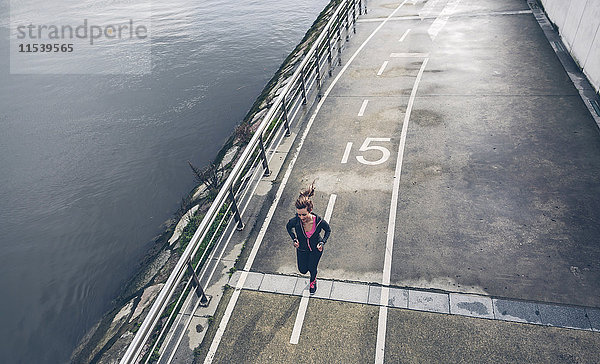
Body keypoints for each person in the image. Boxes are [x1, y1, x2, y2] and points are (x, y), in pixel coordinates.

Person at [286, 182, 331, 294]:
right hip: (302, 249)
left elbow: (328, 230)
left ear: (310, 211)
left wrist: (322, 242)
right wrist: (294, 239)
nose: (301, 217)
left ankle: (313, 281)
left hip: (316, 249)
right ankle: (311, 275)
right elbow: (288, 227)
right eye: (299, 214)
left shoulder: (319, 221)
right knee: (302, 270)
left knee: (312, 268)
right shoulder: (295, 221)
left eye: (304, 215)